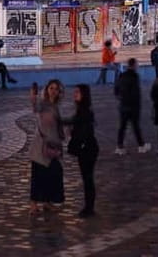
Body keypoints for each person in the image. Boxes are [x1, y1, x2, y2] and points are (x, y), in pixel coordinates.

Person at [29, 79, 65, 215]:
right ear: (47, 89)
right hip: (41, 146)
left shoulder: (56, 106)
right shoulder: (43, 104)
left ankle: (47, 202)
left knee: (53, 174)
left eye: (56, 89)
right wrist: (33, 98)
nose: (53, 91)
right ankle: (33, 204)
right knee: (38, 175)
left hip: (53, 146)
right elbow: (35, 108)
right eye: (51, 88)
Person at [64, 84, 99, 218]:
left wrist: (74, 135)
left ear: (84, 94)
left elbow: (83, 131)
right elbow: (73, 121)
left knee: (88, 178)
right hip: (87, 148)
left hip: (87, 149)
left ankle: (89, 208)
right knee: (87, 178)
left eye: (77, 92)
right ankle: (89, 206)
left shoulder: (85, 111)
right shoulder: (82, 110)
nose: (75, 94)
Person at [114, 58, 151, 155]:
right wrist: (137, 105)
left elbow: (116, 90)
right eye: (137, 64)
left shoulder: (122, 75)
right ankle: (141, 146)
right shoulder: (135, 76)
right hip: (133, 106)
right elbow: (135, 93)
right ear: (134, 65)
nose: (137, 66)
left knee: (122, 127)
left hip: (123, 105)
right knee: (136, 126)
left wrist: (121, 98)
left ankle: (119, 147)